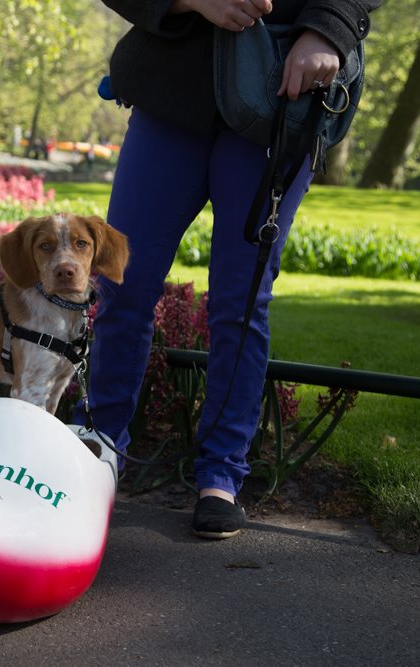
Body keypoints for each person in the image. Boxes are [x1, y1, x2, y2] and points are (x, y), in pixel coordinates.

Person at [81, 0, 383, 539]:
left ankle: (220, 475)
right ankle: (99, 452)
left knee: (241, 301)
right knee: (122, 283)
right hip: (172, 89)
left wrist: (330, 30)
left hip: (284, 96)